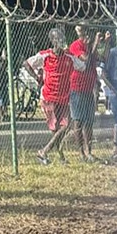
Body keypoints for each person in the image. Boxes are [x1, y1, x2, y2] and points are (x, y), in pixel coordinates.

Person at [26, 28, 86, 165]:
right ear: (52, 41)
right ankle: (54, 154)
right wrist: (37, 77)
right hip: (49, 97)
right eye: (57, 39)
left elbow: (82, 66)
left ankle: (46, 152)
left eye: (62, 38)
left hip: (63, 98)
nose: (61, 41)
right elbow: (27, 63)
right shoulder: (45, 55)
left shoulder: (69, 58)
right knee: (57, 129)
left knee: (65, 126)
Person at [67, 26, 105, 162]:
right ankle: (81, 153)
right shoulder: (76, 46)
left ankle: (89, 152)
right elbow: (87, 62)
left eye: (85, 31)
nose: (84, 33)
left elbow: (101, 59)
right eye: (81, 31)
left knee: (89, 122)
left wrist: (103, 43)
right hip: (78, 88)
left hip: (89, 89)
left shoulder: (89, 46)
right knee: (78, 121)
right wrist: (94, 44)